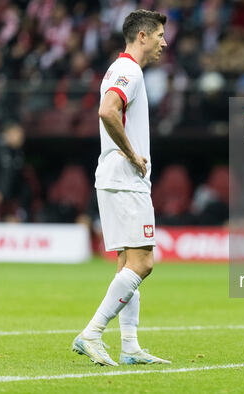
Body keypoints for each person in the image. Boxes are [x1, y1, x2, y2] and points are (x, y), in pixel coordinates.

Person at [72, 9, 169, 367]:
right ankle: (92, 333)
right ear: (142, 36)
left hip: (112, 177)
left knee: (127, 263)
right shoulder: (130, 70)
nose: (164, 41)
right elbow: (107, 111)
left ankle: (129, 345)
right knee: (143, 262)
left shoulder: (118, 68)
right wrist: (133, 154)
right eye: (159, 34)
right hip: (126, 179)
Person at [0, 123, 31, 222]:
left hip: (12, 198)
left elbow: (18, 178)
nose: (21, 137)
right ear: (8, 134)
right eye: (18, 134)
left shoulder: (18, 153)